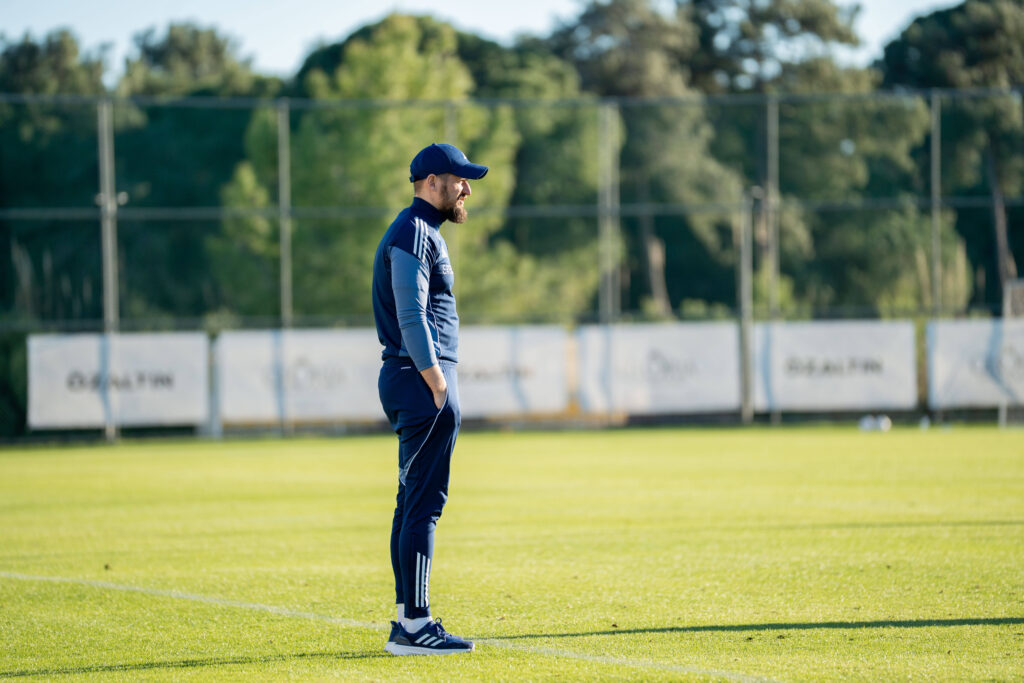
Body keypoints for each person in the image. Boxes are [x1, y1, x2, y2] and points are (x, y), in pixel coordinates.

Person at [371, 143, 488, 655]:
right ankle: (416, 625)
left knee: (411, 503)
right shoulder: (414, 231)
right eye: (460, 180)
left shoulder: (419, 231)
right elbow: (412, 314)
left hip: (413, 380)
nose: (466, 190)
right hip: (420, 382)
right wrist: (438, 383)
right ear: (433, 182)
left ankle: (407, 620)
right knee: (423, 506)